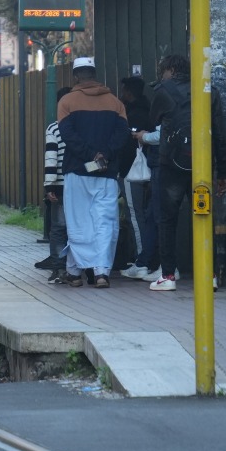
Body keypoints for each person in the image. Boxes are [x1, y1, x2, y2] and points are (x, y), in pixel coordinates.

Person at [142, 54, 226, 292]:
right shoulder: (209, 91)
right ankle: (208, 274)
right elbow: (221, 135)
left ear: (169, 70)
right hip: (202, 165)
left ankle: (168, 275)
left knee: (167, 219)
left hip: (171, 165)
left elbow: (153, 122)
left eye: (163, 71)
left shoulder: (163, 91)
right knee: (204, 216)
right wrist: (223, 172)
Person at [55, 57, 131, 289]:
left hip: (77, 172)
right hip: (107, 173)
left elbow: (68, 136)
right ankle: (101, 273)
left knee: (78, 222)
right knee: (104, 222)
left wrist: (90, 155)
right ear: (94, 74)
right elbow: (122, 134)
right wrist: (104, 155)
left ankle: (75, 273)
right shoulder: (115, 103)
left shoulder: (66, 101)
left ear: (76, 76)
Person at [117, 75, 158, 280]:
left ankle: (142, 260)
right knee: (147, 215)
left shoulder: (131, 115)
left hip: (132, 172)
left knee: (135, 214)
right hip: (150, 172)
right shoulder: (150, 111)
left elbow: (125, 145)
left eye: (123, 91)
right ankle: (147, 258)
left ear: (128, 92)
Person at [35, 86, 72, 275]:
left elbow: (51, 159)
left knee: (58, 226)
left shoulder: (54, 128)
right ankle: (78, 265)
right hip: (79, 183)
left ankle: (59, 264)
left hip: (59, 184)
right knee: (78, 225)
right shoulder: (82, 126)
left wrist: (49, 185)